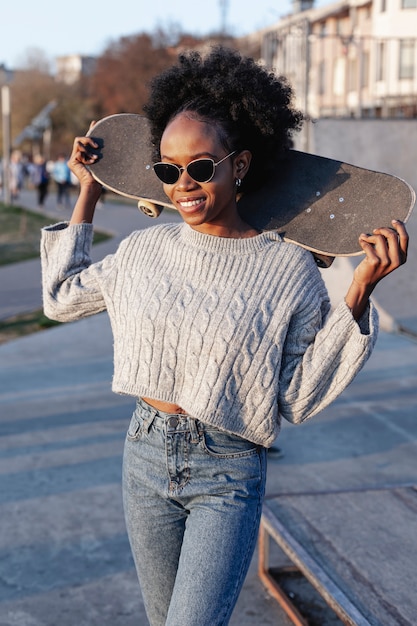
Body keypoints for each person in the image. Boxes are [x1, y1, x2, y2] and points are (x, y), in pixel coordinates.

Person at [40, 47, 408, 626]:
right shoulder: (144, 250)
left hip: (228, 469)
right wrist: (88, 189)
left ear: (239, 165)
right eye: (167, 169)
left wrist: (357, 294)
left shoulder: (286, 270)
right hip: (144, 452)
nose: (182, 184)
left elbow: (298, 396)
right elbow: (62, 297)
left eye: (201, 166)